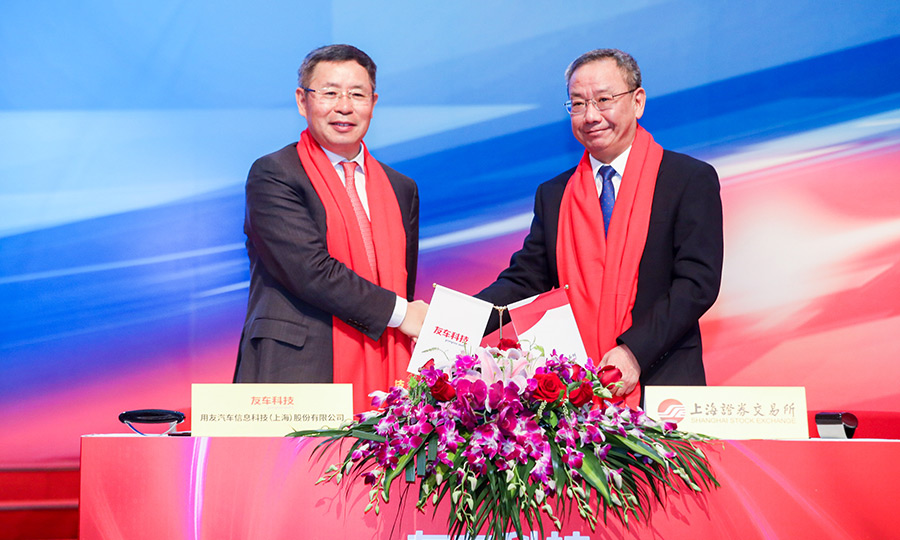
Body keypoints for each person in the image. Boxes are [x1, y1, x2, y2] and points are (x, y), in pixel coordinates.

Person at [477, 49, 723, 407]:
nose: (591, 116)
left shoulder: (687, 179)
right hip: (577, 391)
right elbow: (525, 280)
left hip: (663, 384)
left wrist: (634, 351)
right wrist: (456, 320)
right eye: (578, 104)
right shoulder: (555, 194)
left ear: (638, 102)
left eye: (604, 100)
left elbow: (697, 284)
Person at [234, 44, 427, 412]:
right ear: (302, 100)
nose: (344, 106)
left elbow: (402, 282)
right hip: (296, 374)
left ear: (373, 102)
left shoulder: (401, 188)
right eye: (330, 93)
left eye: (357, 94)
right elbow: (309, 271)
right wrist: (404, 314)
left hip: (388, 370)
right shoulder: (274, 174)